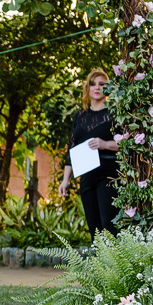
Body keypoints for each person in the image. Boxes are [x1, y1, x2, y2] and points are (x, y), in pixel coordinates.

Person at [59, 68, 120, 236]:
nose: (97, 87)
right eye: (93, 84)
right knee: (94, 228)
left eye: (102, 84)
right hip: (86, 175)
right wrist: (66, 180)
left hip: (108, 173)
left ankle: (113, 262)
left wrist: (106, 144)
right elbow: (71, 149)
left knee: (108, 224)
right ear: (87, 88)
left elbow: (129, 145)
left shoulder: (114, 114)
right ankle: (97, 263)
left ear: (108, 88)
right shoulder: (80, 116)